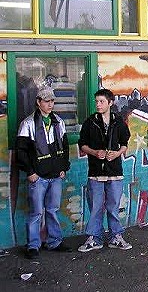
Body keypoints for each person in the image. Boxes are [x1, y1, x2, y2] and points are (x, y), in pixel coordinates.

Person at [16, 86, 72, 259]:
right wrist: (30, 171)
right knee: (36, 212)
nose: (50, 104)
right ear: (38, 102)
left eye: (52, 101)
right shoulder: (28, 123)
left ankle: (54, 241)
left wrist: (63, 167)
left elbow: (64, 146)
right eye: (46, 101)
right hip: (38, 176)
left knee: (53, 209)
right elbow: (21, 151)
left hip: (56, 175)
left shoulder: (58, 122)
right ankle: (33, 245)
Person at [78, 89, 132, 252]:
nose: (98, 104)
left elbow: (125, 143)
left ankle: (116, 236)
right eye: (96, 101)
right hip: (95, 172)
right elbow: (82, 144)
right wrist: (95, 153)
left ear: (110, 103)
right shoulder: (90, 122)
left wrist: (117, 153)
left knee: (113, 205)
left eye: (101, 101)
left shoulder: (119, 122)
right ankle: (95, 238)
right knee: (95, 207)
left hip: (115, 171)